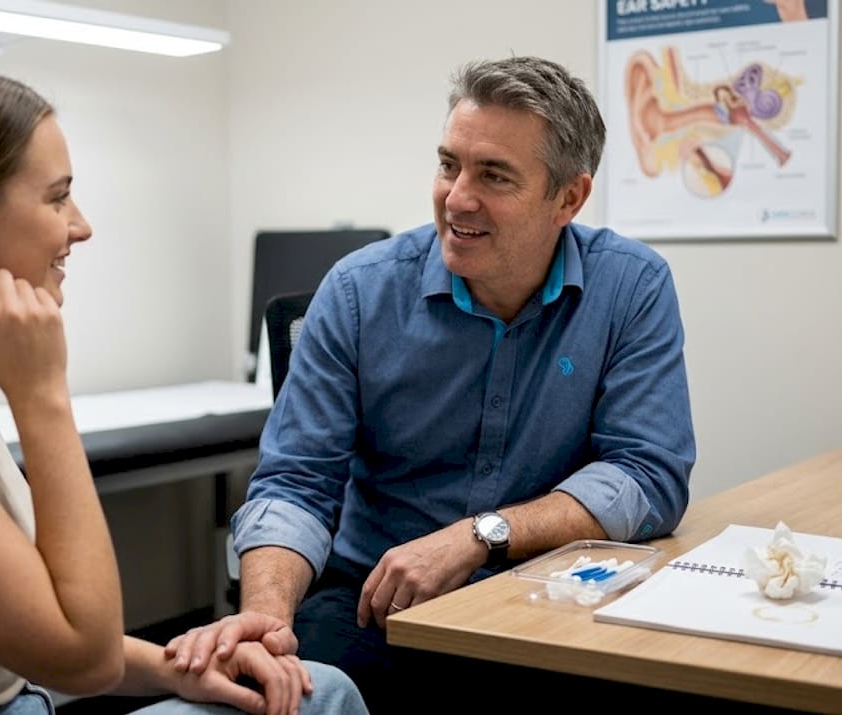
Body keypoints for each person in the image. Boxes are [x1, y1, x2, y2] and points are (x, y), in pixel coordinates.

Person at [165, 56, 696, 711]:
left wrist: (479, 534)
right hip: (374, 596)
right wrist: (267, 620)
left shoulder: (630, 287)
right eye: (449, 165)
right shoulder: (360, 292)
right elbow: (296, 483)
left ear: (569, 197)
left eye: (494, 175)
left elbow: (649, 472)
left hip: (545, 592)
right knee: (289, 695)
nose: (458, 197)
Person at [0, 61, 367, 715]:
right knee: (323, 698)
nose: (79, 225)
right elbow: (80, 655)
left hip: (26, 698)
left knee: (322, 688)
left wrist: (185, 666)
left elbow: (39, 633)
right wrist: (42, 395)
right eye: (57, 197)